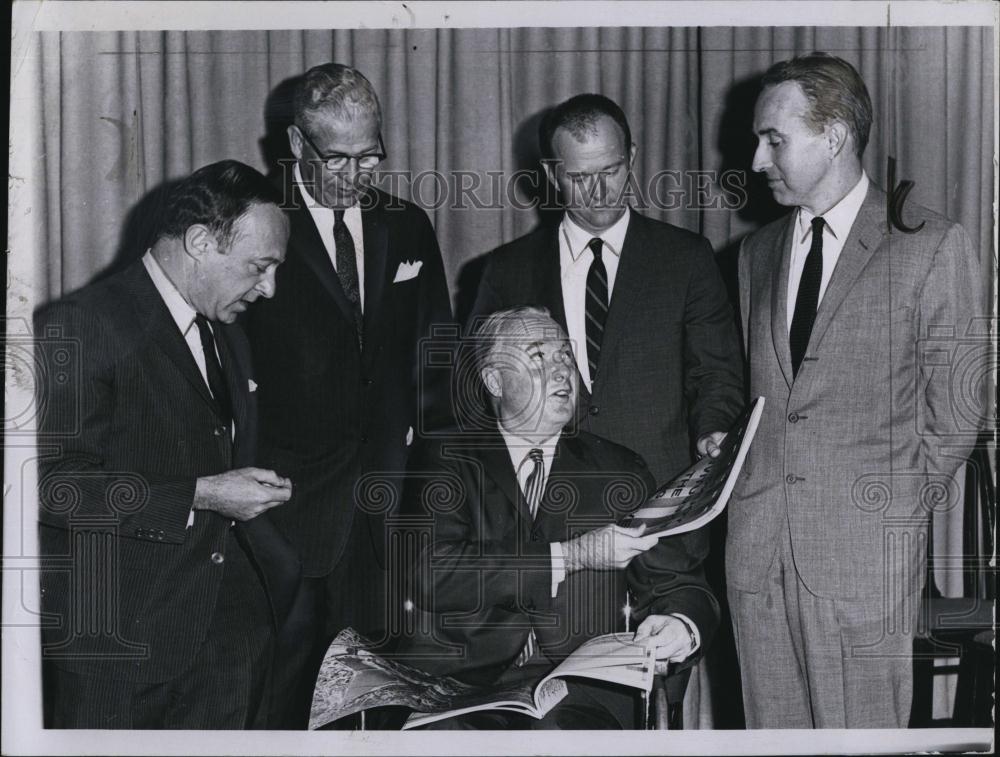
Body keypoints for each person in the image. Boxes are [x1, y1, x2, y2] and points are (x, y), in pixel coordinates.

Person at [729, 52, 987, 728]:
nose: (757, 159)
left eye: (773, 139)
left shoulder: (930, 245)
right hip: (759, 558)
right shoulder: (754, 256)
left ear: (835, 135)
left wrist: (885, 511)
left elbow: (958, 412)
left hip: (863, 560)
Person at [35, 160, 299, 728]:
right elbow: (49, 486)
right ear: (201, 241)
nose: (271, 289)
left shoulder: (226, 328)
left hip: (227, 641)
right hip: (118, 649)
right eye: (260, 266)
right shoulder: (79, 326)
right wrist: (199, 495)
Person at [243, 62, 454, 727]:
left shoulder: (408, 227)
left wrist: (434, 490)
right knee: (287, 702)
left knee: (387, 700)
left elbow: (438, 364)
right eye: (339, 158)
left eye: (372, 155)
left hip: (390, 516)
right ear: (297, 146)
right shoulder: (256, 226)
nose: (359, 174)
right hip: (289, 515)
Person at [397, 307, 719, 729]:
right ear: (494, 379)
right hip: (463, 691)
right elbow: (432, 572)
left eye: (565, 355)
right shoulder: (446, 459)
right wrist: (571, 555)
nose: (561, 370)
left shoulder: (619, 470)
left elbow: (680, 583)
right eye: (538, 356)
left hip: (585, 694)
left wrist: (681, 625)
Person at [471, 93, 744, 487]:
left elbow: (716, 372)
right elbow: (480, 390)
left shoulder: (687, 258)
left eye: (611, 171)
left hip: (662, 502)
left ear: (631, 156)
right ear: (551, 174)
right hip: (548, 511)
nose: (599, 192)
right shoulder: (505, 271)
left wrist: (712, 431)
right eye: (579, 178)